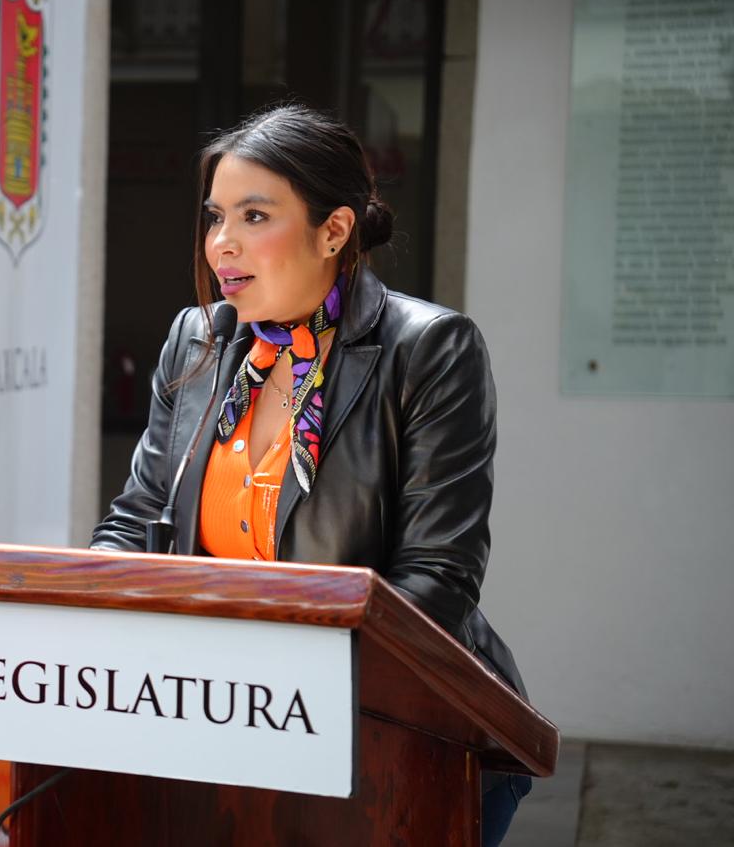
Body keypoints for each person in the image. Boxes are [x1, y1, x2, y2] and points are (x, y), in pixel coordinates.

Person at [90, 104, 532, 845]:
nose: (222, 242)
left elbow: (436, 580)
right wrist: (89, 623)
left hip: (402, 742)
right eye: (215, 217)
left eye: (255, 216)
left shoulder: (429, 350)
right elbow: (136, 520)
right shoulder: (197, 339)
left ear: (334, 231)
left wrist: (273, 686)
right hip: (227, 726)